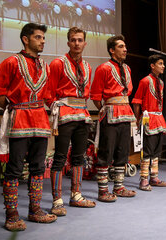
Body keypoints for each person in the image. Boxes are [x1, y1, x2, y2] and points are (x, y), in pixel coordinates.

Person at [0, 23, 57, 231]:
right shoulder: (11, 62)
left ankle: (35, 210)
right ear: (25, 39)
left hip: (40, 121)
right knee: (15, 168)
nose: (42, 41)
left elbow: (49, 95)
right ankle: (11, 214)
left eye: (43, 38)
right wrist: (12, 108)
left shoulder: (46, 66)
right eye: (38, 37)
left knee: (38, 167)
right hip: (19, 121)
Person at [48, 27, 96, 216]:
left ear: (85, 43)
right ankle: (57, 199)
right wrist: (56, 111)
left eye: (80, 40)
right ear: (68, 43)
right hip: (64, 114)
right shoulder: (57, 63)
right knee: (60, 157)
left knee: (79, 156)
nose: (77, 43)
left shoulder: (88, 67)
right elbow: (49, 92)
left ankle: (76, 195)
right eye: (73, 40)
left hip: (82, 115)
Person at [90, 35, 136, 202]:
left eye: (125, 46)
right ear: (111, 50)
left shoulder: (128, 69)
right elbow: (96, 96)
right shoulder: (103, 68)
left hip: (125, 113)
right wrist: (105, 109)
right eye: (121, 46)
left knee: (122, 151)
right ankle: (103, 191)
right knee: (106, 151)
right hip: (110, 114)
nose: (125, 49)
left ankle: (119, 187)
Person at [132, 55, 166, 191]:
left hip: (159, 118)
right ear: (152, 66)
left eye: (163, 64)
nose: (163, 66)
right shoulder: (145, 81)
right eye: (160, 63)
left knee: (157, 150)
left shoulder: (161, 83)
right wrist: (137, 120)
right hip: (148, 119)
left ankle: (154, 177)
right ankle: (143, 179)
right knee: (147, 151)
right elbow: (137, 102)